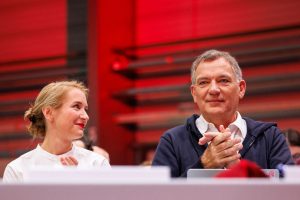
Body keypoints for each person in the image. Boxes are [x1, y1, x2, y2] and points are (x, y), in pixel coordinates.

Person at [152, 49, 294, 177]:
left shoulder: (270, 137)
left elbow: (291, 194)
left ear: (241, 88)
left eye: (223, 80)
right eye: (203, 82)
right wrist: (203, 165)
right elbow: (155, 196)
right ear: (194, 93)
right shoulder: (172, 141)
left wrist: (240, 170)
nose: (213, 89)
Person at [3, 80, 110, 182]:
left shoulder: (97, 164)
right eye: (76, 107)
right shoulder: (17, 170)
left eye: (85, 109)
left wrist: (79, 186)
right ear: (49, 113)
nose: (86, 116)